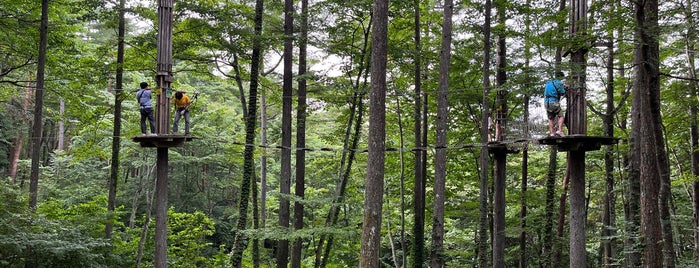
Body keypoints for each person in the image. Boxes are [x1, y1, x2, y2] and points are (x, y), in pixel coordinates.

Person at [544, 72, 567, 137]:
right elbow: (562, 93)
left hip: (546, 103)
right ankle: (559, 130)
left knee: (551, 118)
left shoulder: (548, 83)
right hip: (553, 102)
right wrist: (565, 88)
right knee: (561, 116)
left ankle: (552, 133)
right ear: (561, 77)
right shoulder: (559, 83)